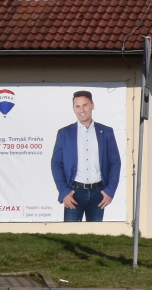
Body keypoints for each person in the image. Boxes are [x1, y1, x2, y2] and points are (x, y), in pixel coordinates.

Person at [50, 90, 121, 222]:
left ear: (92, 105)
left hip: (98, 194)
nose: (82, 110)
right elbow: (56, 163)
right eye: (77, 106)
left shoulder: (106, 132)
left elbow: (115, 162)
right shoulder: (64, 134)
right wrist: (64, 191)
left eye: (85, 105)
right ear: (73, 109)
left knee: (94, 237)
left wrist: (110, 190)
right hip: (74, 193)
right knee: (71, 236)